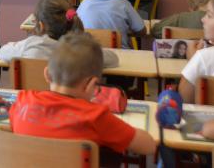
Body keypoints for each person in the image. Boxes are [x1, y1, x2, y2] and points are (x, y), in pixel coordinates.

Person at [9, 33, 157, 162]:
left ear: (47, 74)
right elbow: (149, 146)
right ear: (90, 84)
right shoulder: (96, 117)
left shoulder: (22, 100)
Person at [0, 0, 119, 68]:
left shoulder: (31, 45)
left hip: (36, 106)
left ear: (41, 25)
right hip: (73, 107)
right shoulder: (83, 50)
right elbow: (113, 59)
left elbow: (3, 51)